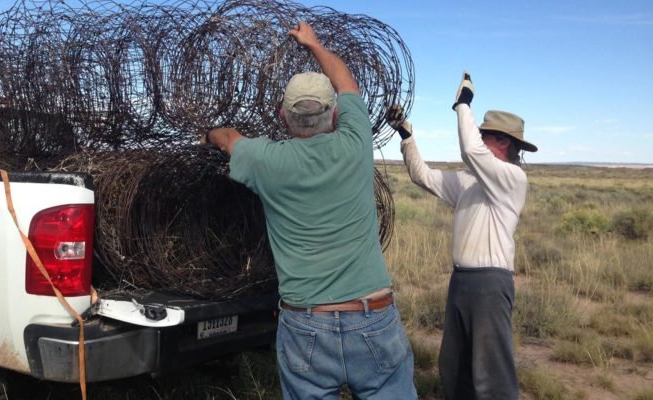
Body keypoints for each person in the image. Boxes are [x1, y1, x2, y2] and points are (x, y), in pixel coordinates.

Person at [204, 22, 416, 400]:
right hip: (372, 314)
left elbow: (227, 139)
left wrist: (208, 135)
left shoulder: (266, 159)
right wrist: (313, 43)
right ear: (334, 115)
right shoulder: (355, 142)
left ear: (284, 118)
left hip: (306, 323)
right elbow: (345, 80)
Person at [389, 72, 538, 399]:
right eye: (481, 134)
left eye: (487, 136)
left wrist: (463, 105)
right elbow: (423, 176)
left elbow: (471, 150)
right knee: (455, 366)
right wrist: (406, 136)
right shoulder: (471, 183)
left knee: (492, 373)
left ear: (503, 142)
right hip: (461, 281)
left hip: (490, 283)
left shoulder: (512, 179)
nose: (481, 139)